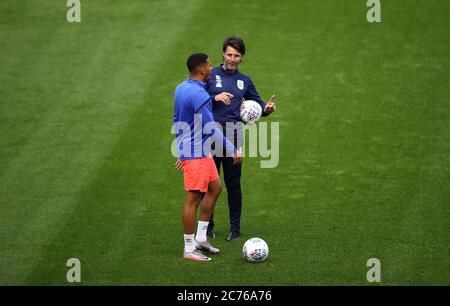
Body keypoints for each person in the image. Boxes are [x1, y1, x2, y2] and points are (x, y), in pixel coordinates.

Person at [206, 36, 277, 241]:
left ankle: (234, 229)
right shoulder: (210, 75)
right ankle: (208, 226)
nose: (232, 59)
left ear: (242, 57)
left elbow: (258, 105)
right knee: (210, 183)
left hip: (233, 138)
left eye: (236, 55)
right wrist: (214, 98)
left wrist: (267, 110)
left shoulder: (244, 80)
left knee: (233, 184)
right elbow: (197, 100)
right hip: (210, 135)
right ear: (223, 54)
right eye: (229, 54)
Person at [173, 53, 242, 261]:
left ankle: (201, 238)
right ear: (202, 70)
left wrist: (181, 148)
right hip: (196, 153)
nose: (212, 69)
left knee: (215, 188)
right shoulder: (199, 95)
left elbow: (178, 119)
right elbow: (212, 128)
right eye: (210, 66)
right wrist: (233, 149)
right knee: (193, 199)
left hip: (197, 150)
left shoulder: (181, 88)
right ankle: (188, 248)